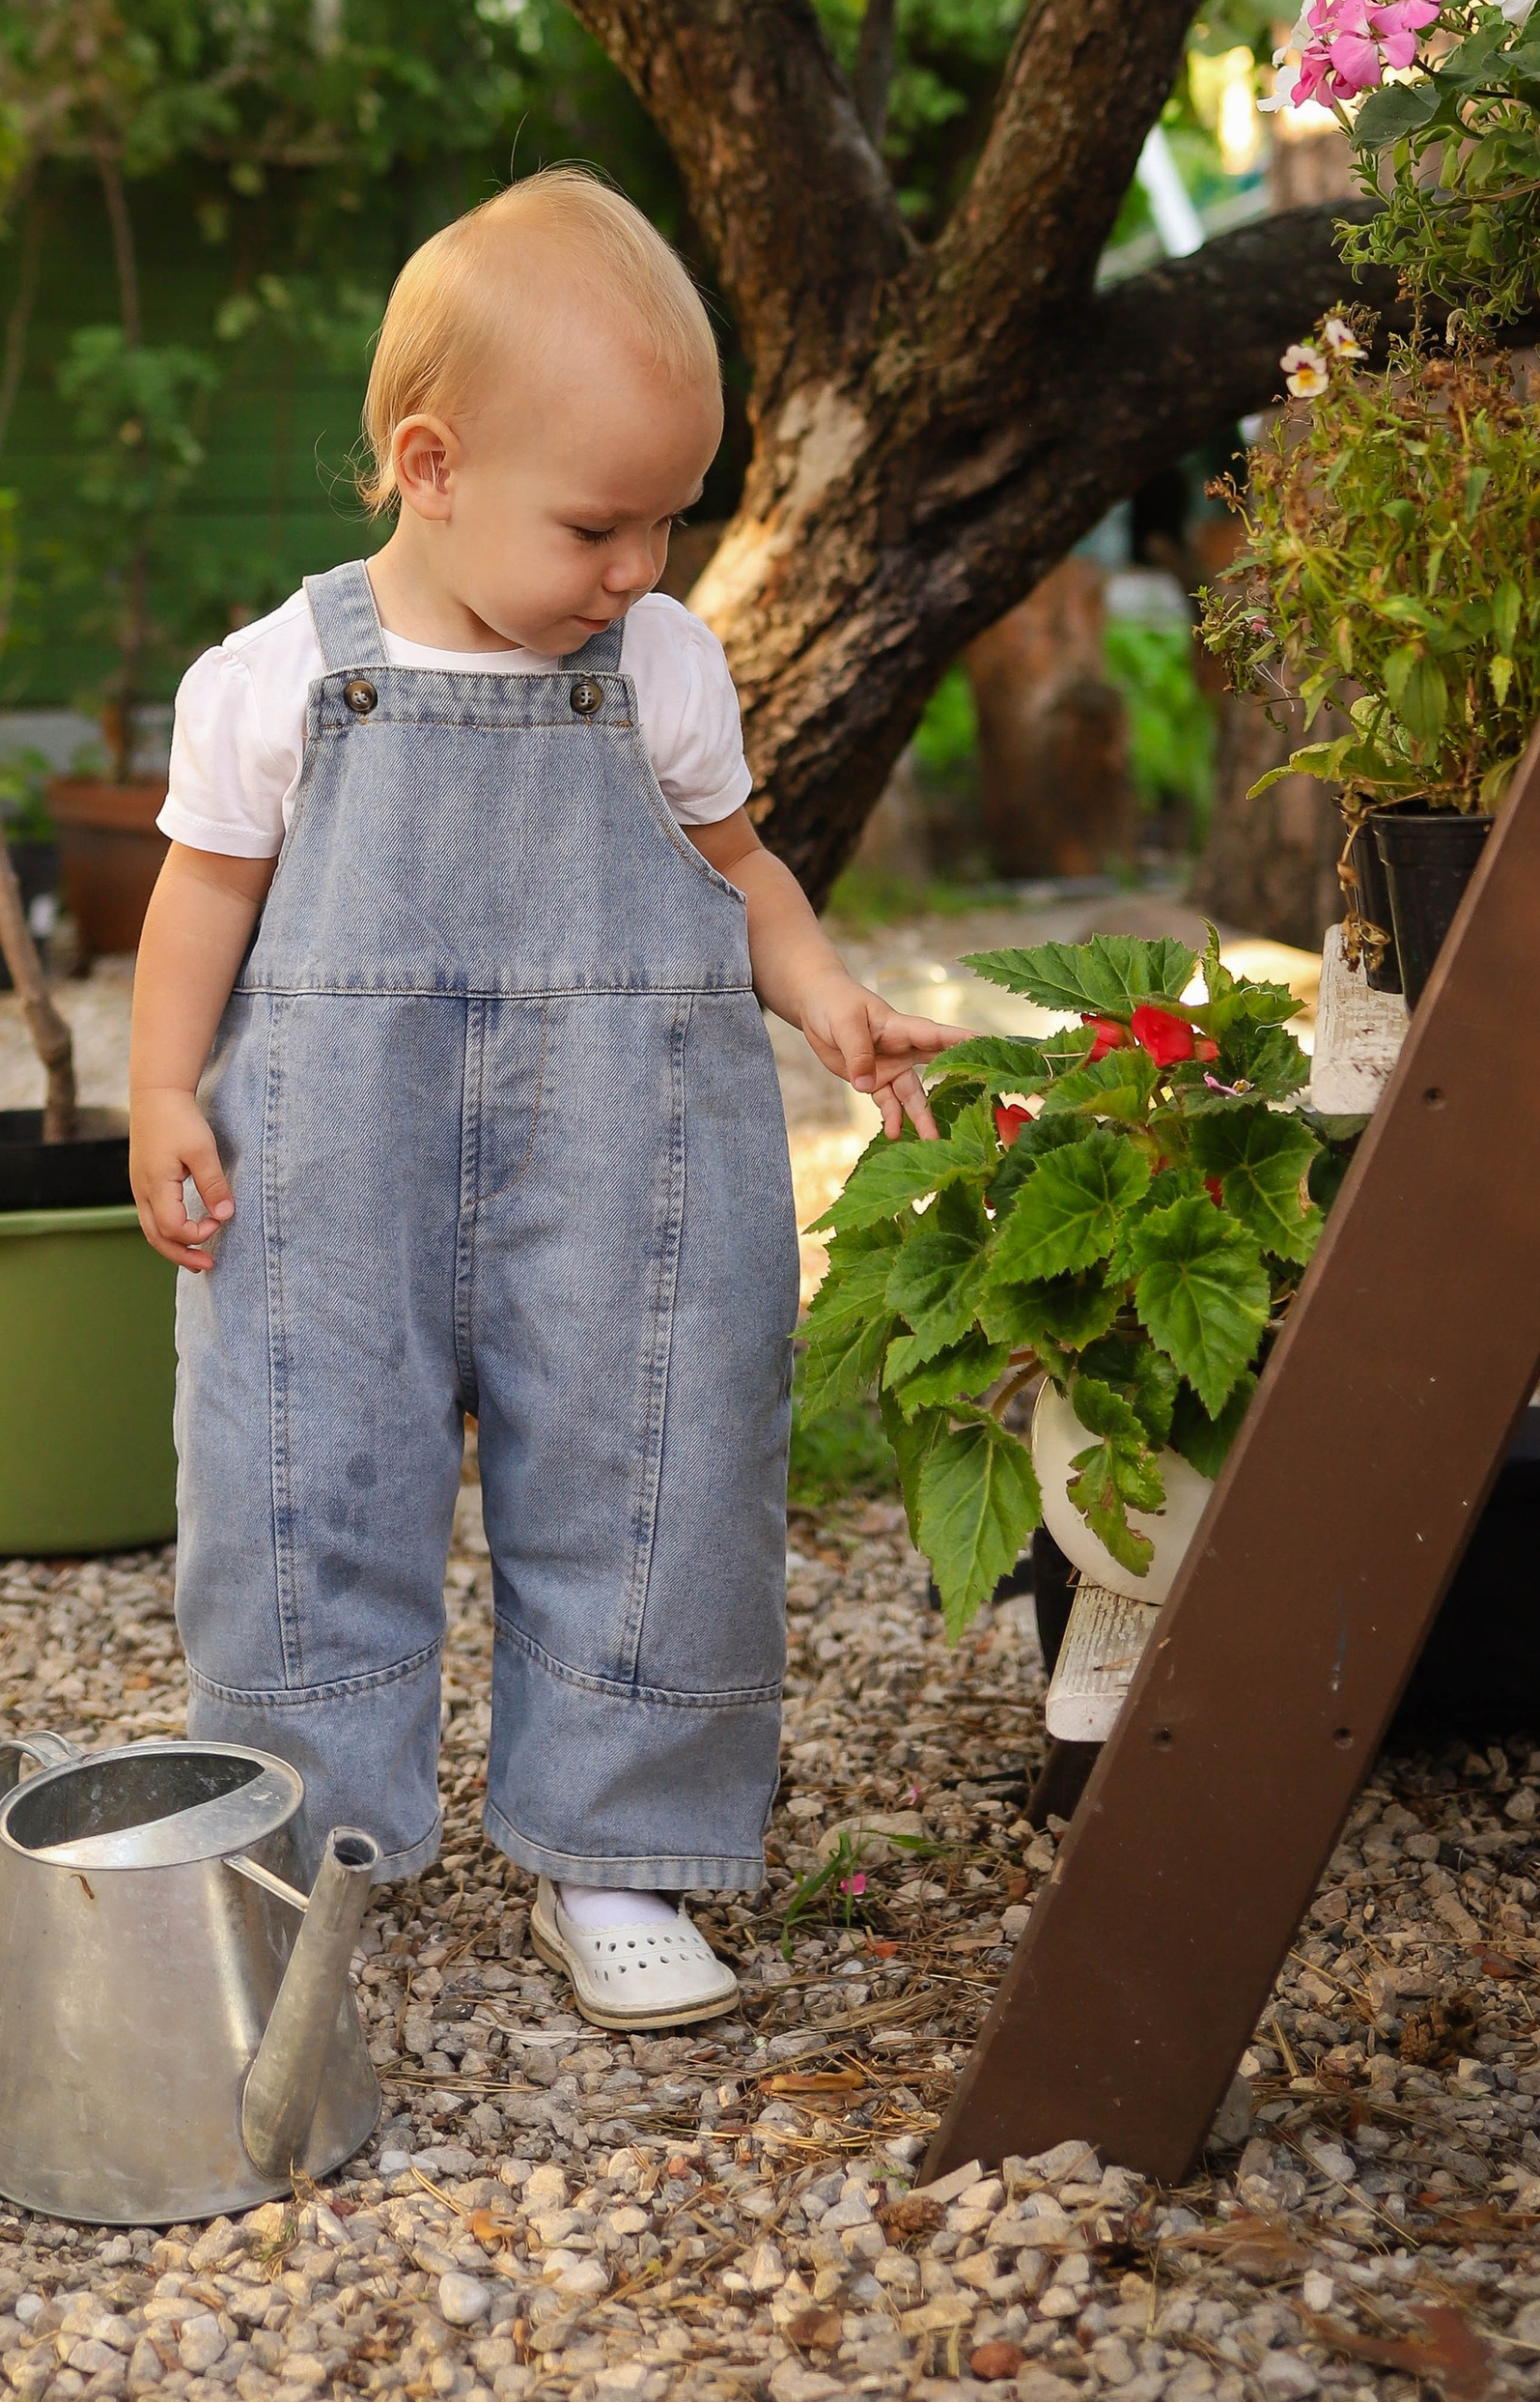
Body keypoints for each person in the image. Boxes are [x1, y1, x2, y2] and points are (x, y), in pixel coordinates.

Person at [128, 170, 958, 2033]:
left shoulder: (656, 669)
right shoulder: (279, 682)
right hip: (333, 1163)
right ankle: (299, 1842)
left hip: (631, 1154)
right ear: (429, 465)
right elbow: (201, 892)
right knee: (302, 1474)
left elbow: (735, 868)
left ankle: (621, 1846)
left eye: (670, 521)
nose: (640, 570)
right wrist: (163, 1086)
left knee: (654, 1466)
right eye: (599, 525)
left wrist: (823, 994)